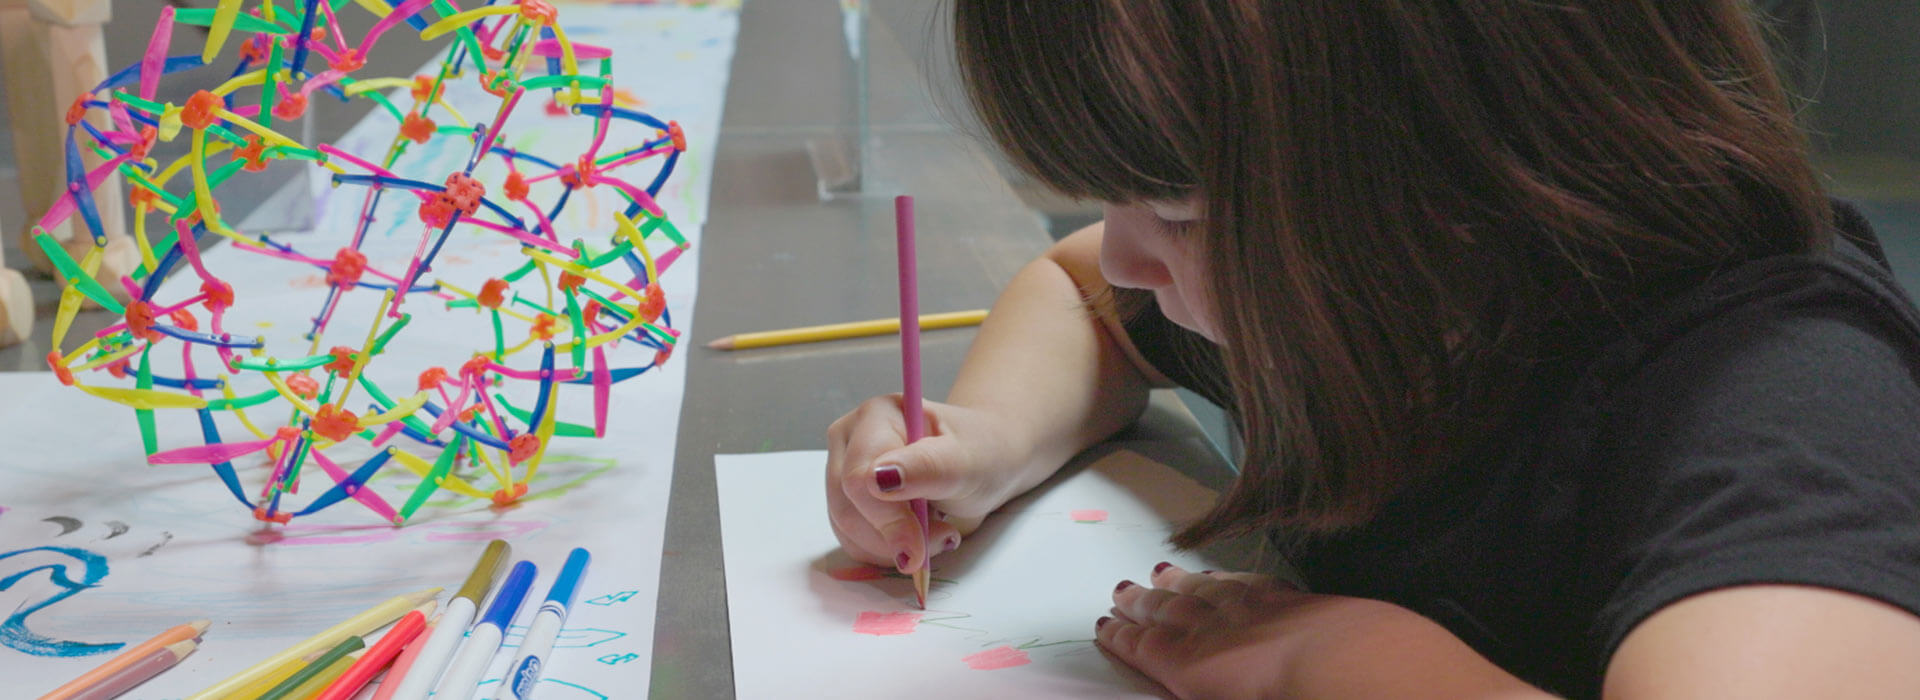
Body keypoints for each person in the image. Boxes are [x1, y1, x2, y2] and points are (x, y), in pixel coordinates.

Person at [824, 1, 1920, 697]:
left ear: (1465, 157)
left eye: (1180, 210)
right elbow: (1080, 296)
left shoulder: (1776, 396)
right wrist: (983, 441)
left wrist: (1355, 666)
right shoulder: (1386, 283)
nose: (1126, 255)